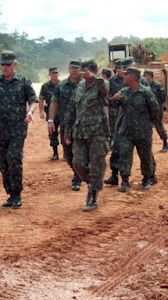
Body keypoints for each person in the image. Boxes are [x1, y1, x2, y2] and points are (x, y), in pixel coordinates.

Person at [0, 51, 39, 207]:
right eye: (2, 64)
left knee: (13, 158)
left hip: (17, 129)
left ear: (14, 64)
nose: (4, 67)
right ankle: (10, 194)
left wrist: (30, 111)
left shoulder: (23, 81)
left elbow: (33, 100)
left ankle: (17, 193)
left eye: (8, 64)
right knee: (3, 161)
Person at [64, 58, 110, 211]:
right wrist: (67, 130)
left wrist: (94, 78)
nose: (84, 72)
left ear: (95, 71)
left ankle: (93, 195)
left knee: (97, 164)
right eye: (83, 70)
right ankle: (93, 183)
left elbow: (105, 89)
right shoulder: (79, 86)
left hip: (97, 133)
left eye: (88, 70)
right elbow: (71, 108)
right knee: (78, 163)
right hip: (80, 132)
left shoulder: (101, 83)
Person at [110, 67, 161, 192]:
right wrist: (114, 99)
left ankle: (146, 179)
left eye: (126, 75)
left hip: (143, 131)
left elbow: (155, 110)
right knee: (125, 155)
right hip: (127, 131)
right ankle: (125, 181)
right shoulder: (124, 91)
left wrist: (147, 124)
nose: (124, 77)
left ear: (133, 77)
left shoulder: (146, 92)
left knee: (145, 156)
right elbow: (113, 105)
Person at [48, 60, 83, 191]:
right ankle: (78, 171)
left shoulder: (86, 85)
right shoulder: (61, 86)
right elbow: (54, 103)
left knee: (80, 152)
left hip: (82, 125)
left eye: (77, 68)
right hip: (66, 125)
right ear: (68, 69)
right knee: (68, 154)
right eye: (73, 68)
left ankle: (77, 177)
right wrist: (50, 120)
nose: (75, 70)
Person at [143, 69, 168, 152]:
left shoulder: (157, 85)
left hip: (156, 110)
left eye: (145, 75)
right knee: (146, 128)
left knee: (159, 127)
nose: (144, 77)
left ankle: (165, 143)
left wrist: (157, 105)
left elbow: (163, 97)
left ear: (149, 76)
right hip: (147, 110)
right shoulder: (144, 85)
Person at [38, 67, 61, 160]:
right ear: (49, 74)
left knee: (65, 131)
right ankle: (55, 153)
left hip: (62, 111)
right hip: (51, 112)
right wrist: (41, 111)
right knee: (52, 132)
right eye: (52, 73)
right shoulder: (45, 86)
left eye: (56, 73)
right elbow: (41, 99)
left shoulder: (62, 84)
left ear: (58, 74)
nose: (54, 74)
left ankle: (67, 152)